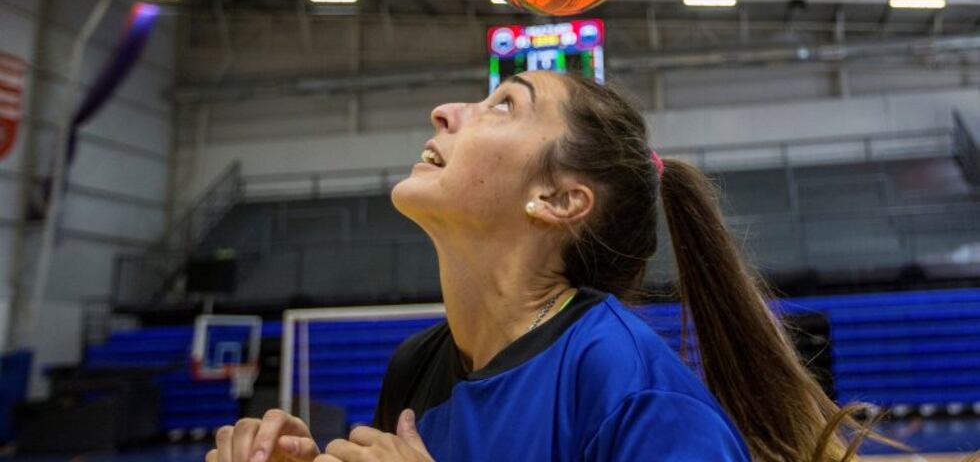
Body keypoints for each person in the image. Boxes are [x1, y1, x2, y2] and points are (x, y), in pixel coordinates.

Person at [207, 71, 859, 462]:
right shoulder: (415, 367)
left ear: (557, 200)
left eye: (502, 105)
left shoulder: (632, 392)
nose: (444, 112)